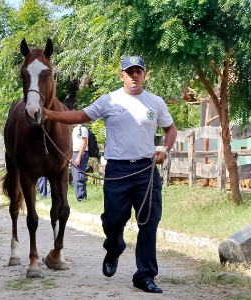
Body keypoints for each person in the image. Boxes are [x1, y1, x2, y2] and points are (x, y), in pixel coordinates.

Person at [43, 56, 177, 294]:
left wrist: (165, 150)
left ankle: (144, 276)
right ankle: (114, 248)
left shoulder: (155, 103)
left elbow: (170, 128)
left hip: (146, 170)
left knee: (149, 223)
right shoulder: (109, 100)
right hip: (118, 171)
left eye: (139, 71)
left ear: (145, 74)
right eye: (129, 71)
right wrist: (50, 115)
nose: (134, 75)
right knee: (113, 222)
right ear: (122, 75)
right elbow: (80, 116)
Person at [72, 124, 89, 202]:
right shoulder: (75, 129)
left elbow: (84, 143)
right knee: (75, 177)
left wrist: (79, 157)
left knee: (79, 176)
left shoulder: (82, 128)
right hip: (75, 153)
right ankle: (79, 196)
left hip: (81, 153)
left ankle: (81, 197)